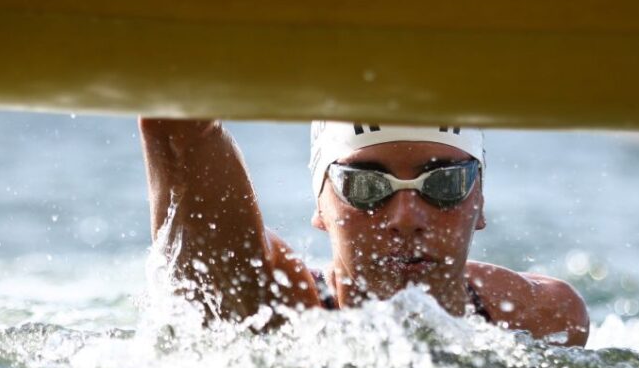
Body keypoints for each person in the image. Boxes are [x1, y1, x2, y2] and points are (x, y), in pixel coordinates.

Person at [139, 119, 589, 345]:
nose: (406, 216)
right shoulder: (273, 305)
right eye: (367, 186)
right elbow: (175, 122)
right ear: (321, 204)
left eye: (444, 183)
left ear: (481, 200)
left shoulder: (544, 319)